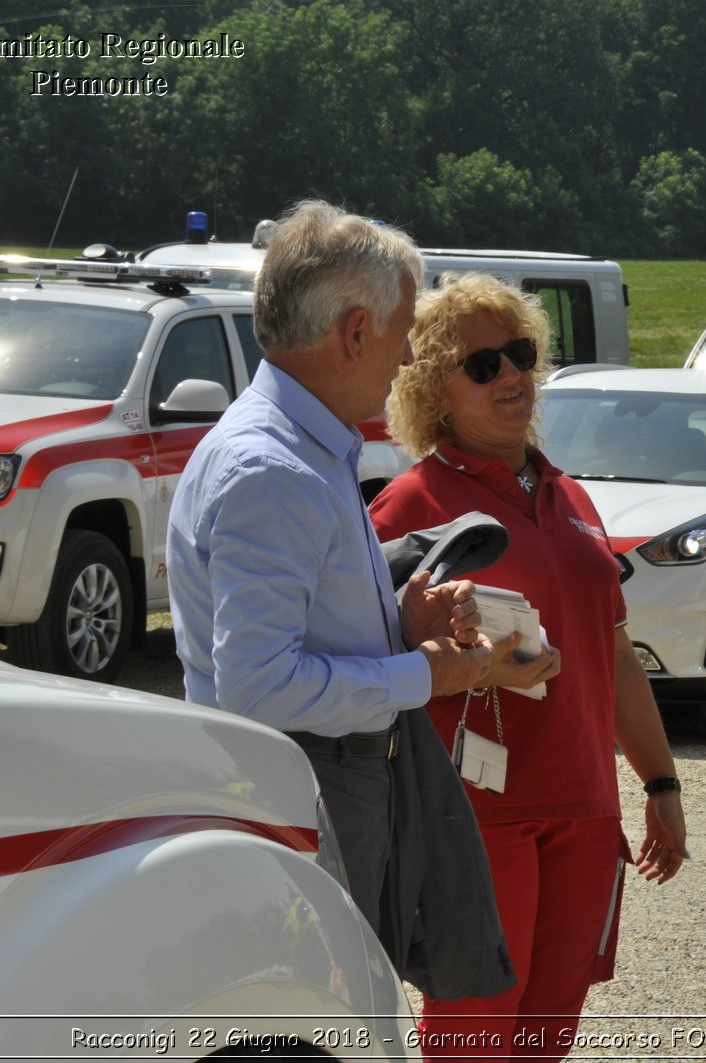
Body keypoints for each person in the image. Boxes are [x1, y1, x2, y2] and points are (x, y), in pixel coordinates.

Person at [166, 200, 514, 1000]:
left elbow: (288, 641)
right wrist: (422, 674)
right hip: (306, 789)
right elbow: (259, 686)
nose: (405, 357)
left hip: (323, 780)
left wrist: (401, 629)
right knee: (324, 1019)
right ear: (355, 331)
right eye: (400, 334)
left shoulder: (296, 447)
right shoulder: (274, 468)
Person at [370, 271, 689, 1060]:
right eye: (484, 365)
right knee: (473, 1039)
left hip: (584, 810)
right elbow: (367, 662)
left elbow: (612, 655)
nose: (512, 375)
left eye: (520, 354)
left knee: (548, 1038)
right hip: (476, 816)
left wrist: (660, 783)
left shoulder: (573, 498)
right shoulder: (409, 506)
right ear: (434, 389)